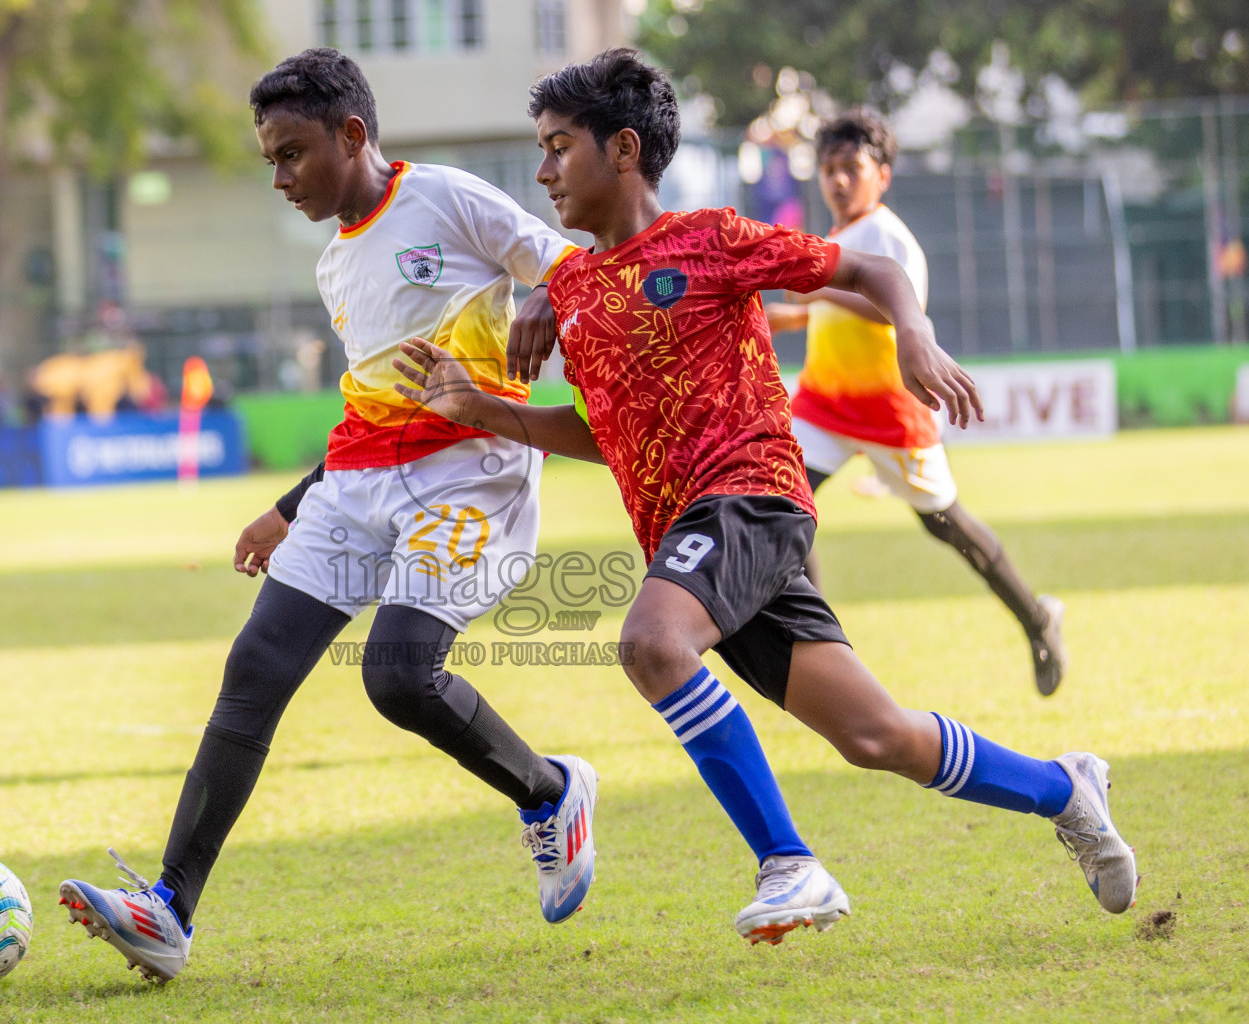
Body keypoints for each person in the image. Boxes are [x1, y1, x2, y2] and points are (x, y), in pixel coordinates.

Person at [393, 49, 1137, 946]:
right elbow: (610, 433)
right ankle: (1067, 789)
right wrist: (482, 410)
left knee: (650, 644)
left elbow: (871, 274)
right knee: (875, 736)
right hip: (695, 540)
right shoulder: (577, 290)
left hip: (751, 498)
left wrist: (915, 336)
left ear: (623, 149)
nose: (544, 171)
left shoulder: (710, 237)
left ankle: (789, 861)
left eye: (559, 147)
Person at [58, 49, 598, 983]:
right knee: (256, 666)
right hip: (359, 484)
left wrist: (546, 293)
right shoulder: (336, 265)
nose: (280, 178)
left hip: (471, 475)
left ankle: (550, 792)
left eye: (292, 153)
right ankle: (170, 908)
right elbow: (369, 405)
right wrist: (286, 506)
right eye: (270, 158)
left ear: (353, 135)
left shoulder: (448, 199)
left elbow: (570, 260)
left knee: (397, 679)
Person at [765, 110, 1067, 696]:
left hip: (889, 415)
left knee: (947, 526)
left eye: (851, 168)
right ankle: (827, 659)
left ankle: (1038, 618)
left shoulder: (888, 237)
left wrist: (815, 289)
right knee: (781, 503)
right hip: (824, 405)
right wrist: (797, 313)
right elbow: (840, 301)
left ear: (881, 174)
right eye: (828, 169)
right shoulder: (838, 238)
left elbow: (900, 315)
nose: (838, 180)